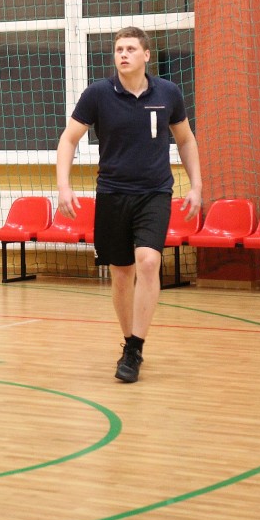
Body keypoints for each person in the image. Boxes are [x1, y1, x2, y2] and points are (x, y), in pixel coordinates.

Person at [56, 26, 202, 383]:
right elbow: (69, 139)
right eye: (119, 49)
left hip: (155, 193)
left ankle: (135, 347)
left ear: (146, 55)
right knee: (121, 274)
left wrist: (197, 185)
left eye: (131, 49)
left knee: (148, 261)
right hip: (112, 194)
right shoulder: (97, 94)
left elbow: (185, 140)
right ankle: (128, 341)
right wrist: (64, 186)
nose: (123, 54)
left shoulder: (168, 93)